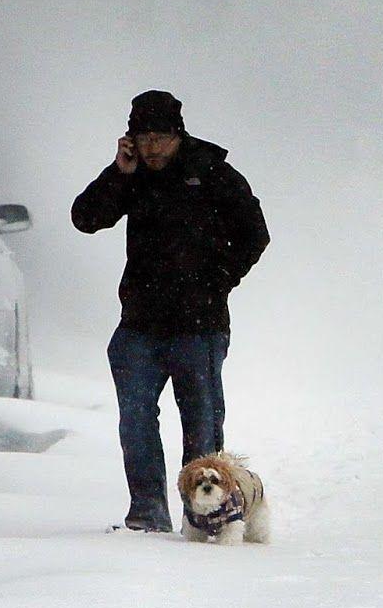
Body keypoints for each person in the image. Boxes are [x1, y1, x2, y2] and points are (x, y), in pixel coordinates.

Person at [71, 90, 270, 532]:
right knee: (136, 420)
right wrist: (118, 174)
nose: (153, 148)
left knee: (201, 424)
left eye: (161, 137)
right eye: (144, 139)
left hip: (199, 327)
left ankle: (202, 520)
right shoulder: (132, 175)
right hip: (139, 325)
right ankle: (147, 515)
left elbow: (255, 233)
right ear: (130, 140)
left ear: (178, 135)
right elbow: (85, 218)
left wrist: (217, 282)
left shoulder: (212, 172)